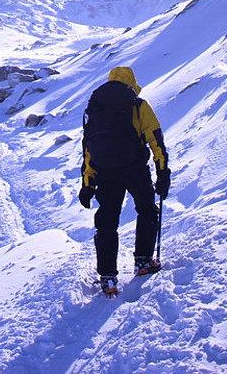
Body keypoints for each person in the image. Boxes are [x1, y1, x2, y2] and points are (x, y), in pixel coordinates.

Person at [79, 66, 170, 297]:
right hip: (134, 167)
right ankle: (143, 261)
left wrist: (87, 183)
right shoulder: (137, 105)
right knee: (147, 210)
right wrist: (162, 173)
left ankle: (108, 276)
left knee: (107, 221)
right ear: (131, 83)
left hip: (104, 171)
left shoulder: (94, 107)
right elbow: (155, 140)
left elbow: (88, 148)